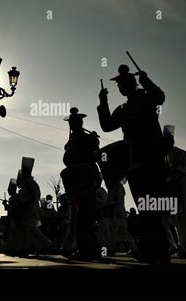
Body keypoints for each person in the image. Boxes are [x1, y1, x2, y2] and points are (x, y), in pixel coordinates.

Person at [97, 64, 169, 263]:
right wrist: (103, 102)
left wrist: (146, 80)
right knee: (143, 203)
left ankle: (159, 249)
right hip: (133, 160)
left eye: (124, 84)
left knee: (152, 203)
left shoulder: (147, 99)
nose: (121, 88)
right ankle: (149, 247)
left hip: (152, 156)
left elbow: (160, 96)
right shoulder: (122, 108)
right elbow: (107, 126)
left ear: (133, 83)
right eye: (119, 86)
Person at [60, 108, 101, 260]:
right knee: (83, 217)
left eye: (74, 122)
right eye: (70, 122)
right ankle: (92, 250)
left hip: (86, 178)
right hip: (77, 179)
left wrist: (94, 141)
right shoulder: (72, 140)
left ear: (79, 123)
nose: (71, 125)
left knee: (85, 217)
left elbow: (95, 155)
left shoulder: (86, 138)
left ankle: (87, 250)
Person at [162, 125, 186, 259]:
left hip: (183, 187)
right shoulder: (163, 156)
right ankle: (182, 246)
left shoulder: (181, 153)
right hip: (171, 189)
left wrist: (177, 168)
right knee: (174, 219)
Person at [15, 158, 53, 256]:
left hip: (30, 209)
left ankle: (29, 248)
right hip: (30, 209)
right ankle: (45, 245)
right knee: (31, 229)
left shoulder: (30, 183)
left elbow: (35, 196)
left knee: (29, 229)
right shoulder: (30, 183)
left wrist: (24, 201)